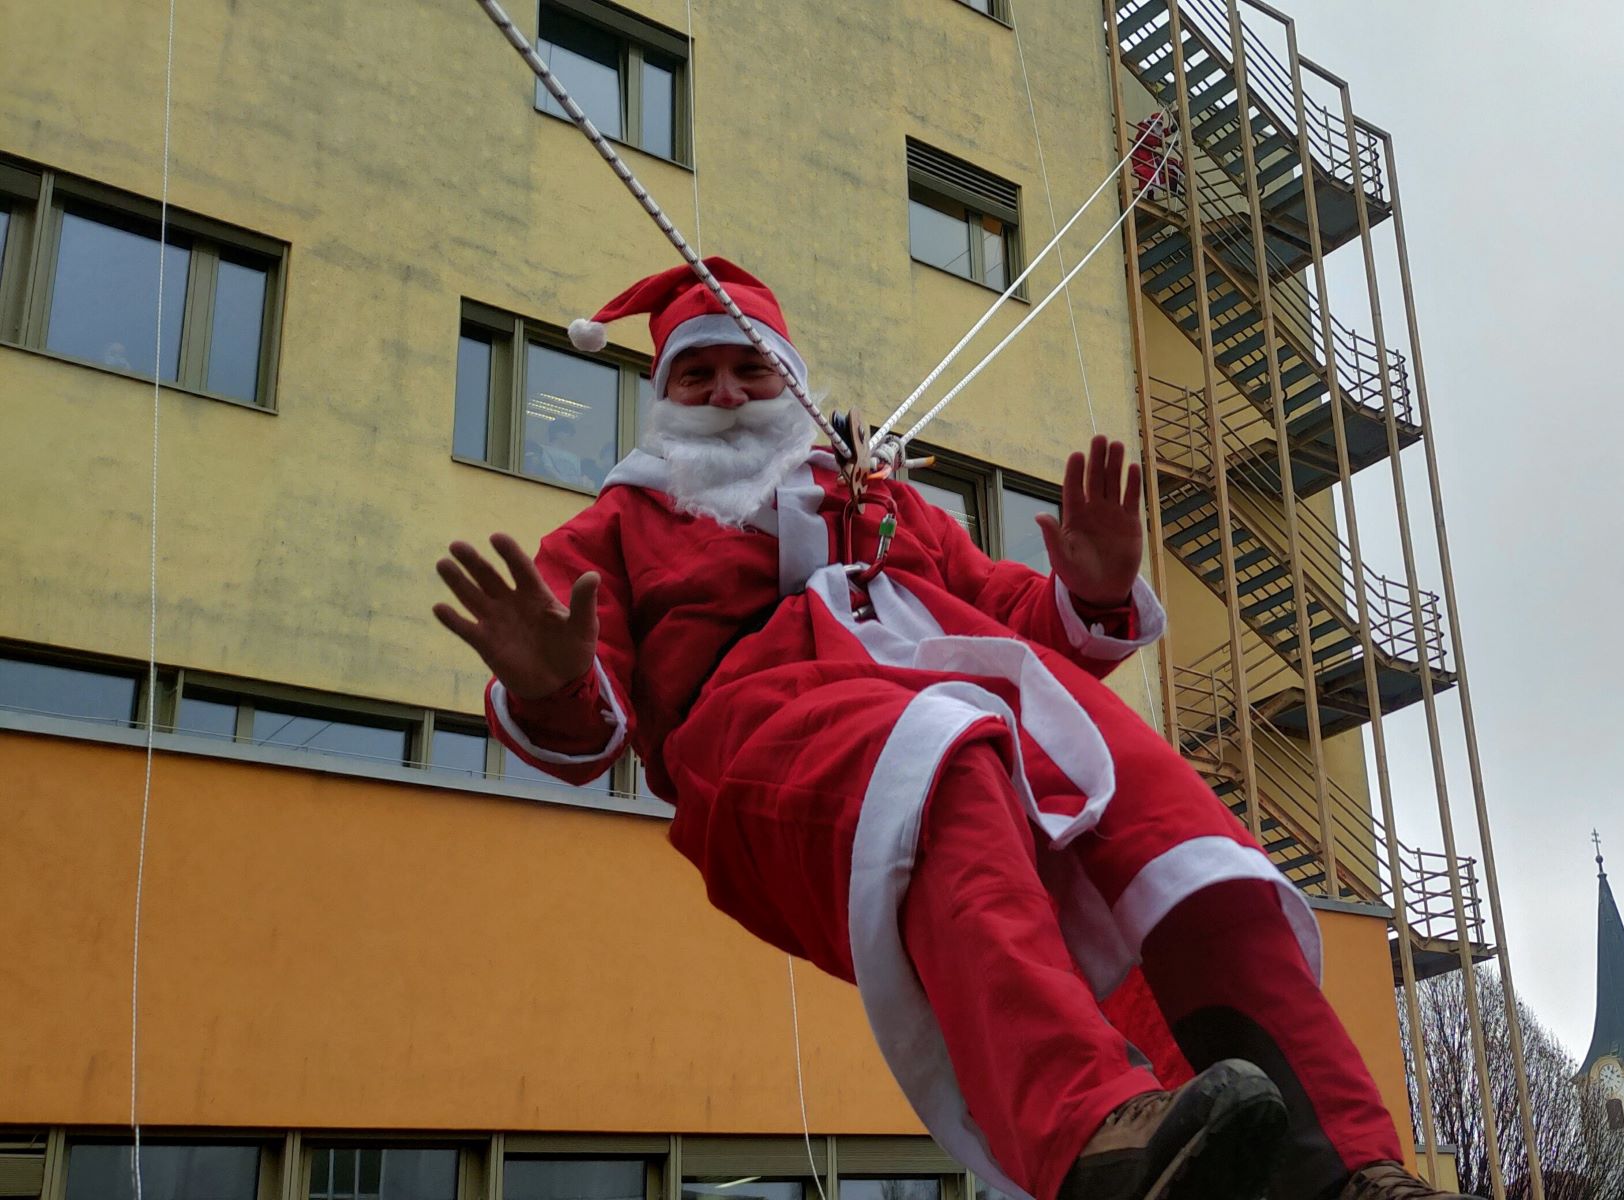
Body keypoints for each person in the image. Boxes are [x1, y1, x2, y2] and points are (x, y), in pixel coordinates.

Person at [432, 259, 1470, 1200]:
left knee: (1178, 844)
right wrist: (555, 687)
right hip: (762, 743)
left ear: (790, 382)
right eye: (694, 377)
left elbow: (1005, 608)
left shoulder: (881, 502)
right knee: (941, 773)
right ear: (663, 400)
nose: (724, 395)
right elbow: (589, 720)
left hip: (967, 705)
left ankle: (1346, 1167)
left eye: (748, 370)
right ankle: (1091, 1132)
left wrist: (1092, 591)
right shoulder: (618, 524)